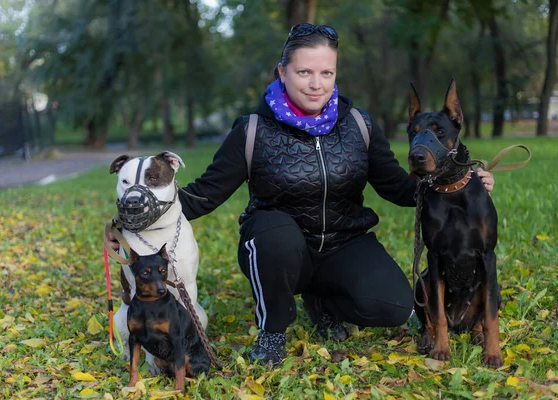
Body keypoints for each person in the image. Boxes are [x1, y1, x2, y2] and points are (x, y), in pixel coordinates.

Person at [108, 23, 495, 365]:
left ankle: (322, 304)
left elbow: (399, 187)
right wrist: (127, 218)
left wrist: (462, 179)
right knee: (275, 236)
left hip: (343, 242)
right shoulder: (253, 130)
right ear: (282, 71)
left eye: (326, 72)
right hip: (278, 244)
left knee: (394, 305)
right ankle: (273, 331)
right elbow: (201, 196)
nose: (316, 83)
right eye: (305, 72)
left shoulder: (358, 124)